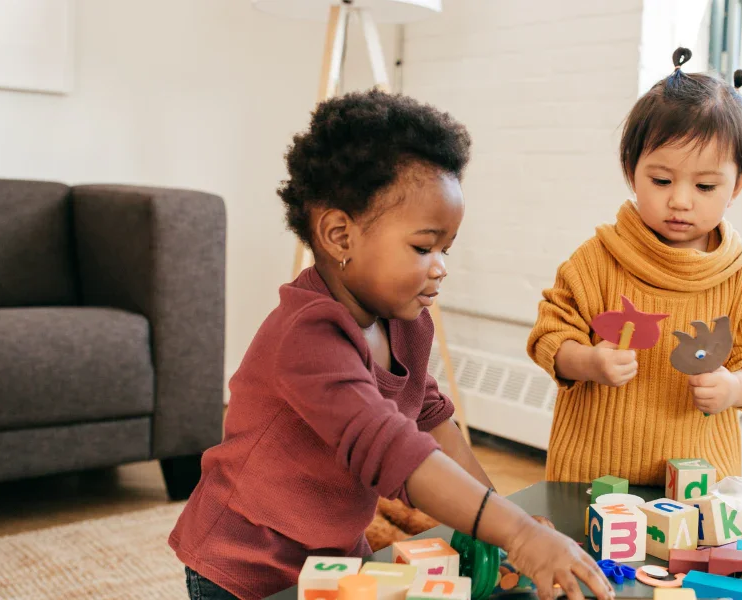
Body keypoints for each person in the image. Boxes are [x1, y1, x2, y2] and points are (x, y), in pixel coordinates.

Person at [170, 89, 613, 600]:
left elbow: (429, 418)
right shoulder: (307, 337)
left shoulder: (406, 320)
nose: (441, 265)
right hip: (247, 568)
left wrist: (501, 519)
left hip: (336, 556)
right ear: (340, 236)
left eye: (446, 249)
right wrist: (516, 530)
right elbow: (393, 451)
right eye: (423, 247)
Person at [527, 48, 742, 487]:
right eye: (661, 180)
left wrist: (734, 389)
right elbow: (549, 337)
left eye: (705, 185)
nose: (681, 200)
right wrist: (589, 361)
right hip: (593, 476)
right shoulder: (596, 260)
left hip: (699, 482)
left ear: (738, 185)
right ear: (632, 171)